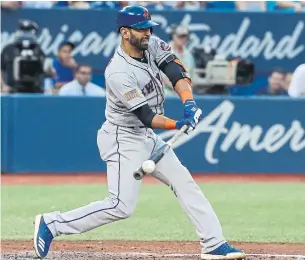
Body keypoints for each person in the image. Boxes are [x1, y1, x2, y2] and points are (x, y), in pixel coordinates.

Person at [33, 6, 246, 260]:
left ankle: (213, 243)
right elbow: (146, 116)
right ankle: (51, 224)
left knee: (185, 183)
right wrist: (178, 124)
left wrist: (189, 103)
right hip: (123, 137)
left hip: (146, 136)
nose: (148, 32)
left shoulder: (152, 44)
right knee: (120, 206)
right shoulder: (118, 73)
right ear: (125, 32)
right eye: (141, 29)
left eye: (148, 27)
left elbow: (175, 71)